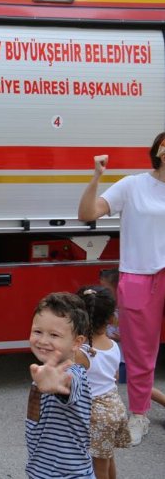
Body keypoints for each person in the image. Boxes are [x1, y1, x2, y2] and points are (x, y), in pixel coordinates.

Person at [78, 137, 165, 446]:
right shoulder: (133, 185)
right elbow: (87, 213)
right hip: (141, 275)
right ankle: (139, 415)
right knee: (141, 354)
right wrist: (96, 177)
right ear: (159, 151)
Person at [26, 292, 93, 479]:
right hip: (41, 470)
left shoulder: (72, 375)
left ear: (77, 342)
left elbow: (70, 387)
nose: (43, 340)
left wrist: (58, 385)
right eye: (38, 332)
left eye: (54, 335)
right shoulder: (44, 373)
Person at [76, 285, 130, 479]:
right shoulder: (113, 345)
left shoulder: (82, 353)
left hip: (97, 415)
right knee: (107, 459)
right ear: (110, 318)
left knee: (98, 468)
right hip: (114, 408)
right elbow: (114, 377)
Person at [99, 268, 126, 384]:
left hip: (124, 359)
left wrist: (123, 338)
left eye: (107, 289)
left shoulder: (126, 308)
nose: (103, 293)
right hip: (110, 356)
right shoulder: (107, 306)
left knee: (125, 385)